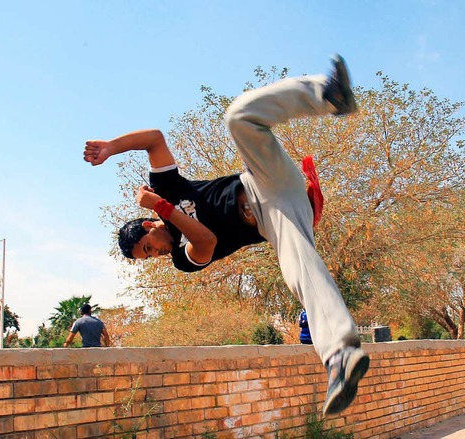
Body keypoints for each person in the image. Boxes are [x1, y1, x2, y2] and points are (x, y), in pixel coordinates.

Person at [83, 55, 369, 415]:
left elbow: (154, 139)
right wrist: (163, 209)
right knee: (300, 270)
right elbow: (207, 242)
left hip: (263, 179)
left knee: (238, 118)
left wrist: (111, 147)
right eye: (150, 257)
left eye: (148, 248)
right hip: (276, 219)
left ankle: (327, 95)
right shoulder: (181, 258)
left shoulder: (167, 189)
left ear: (146, 228)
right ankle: (341, 354)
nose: (156, 255)